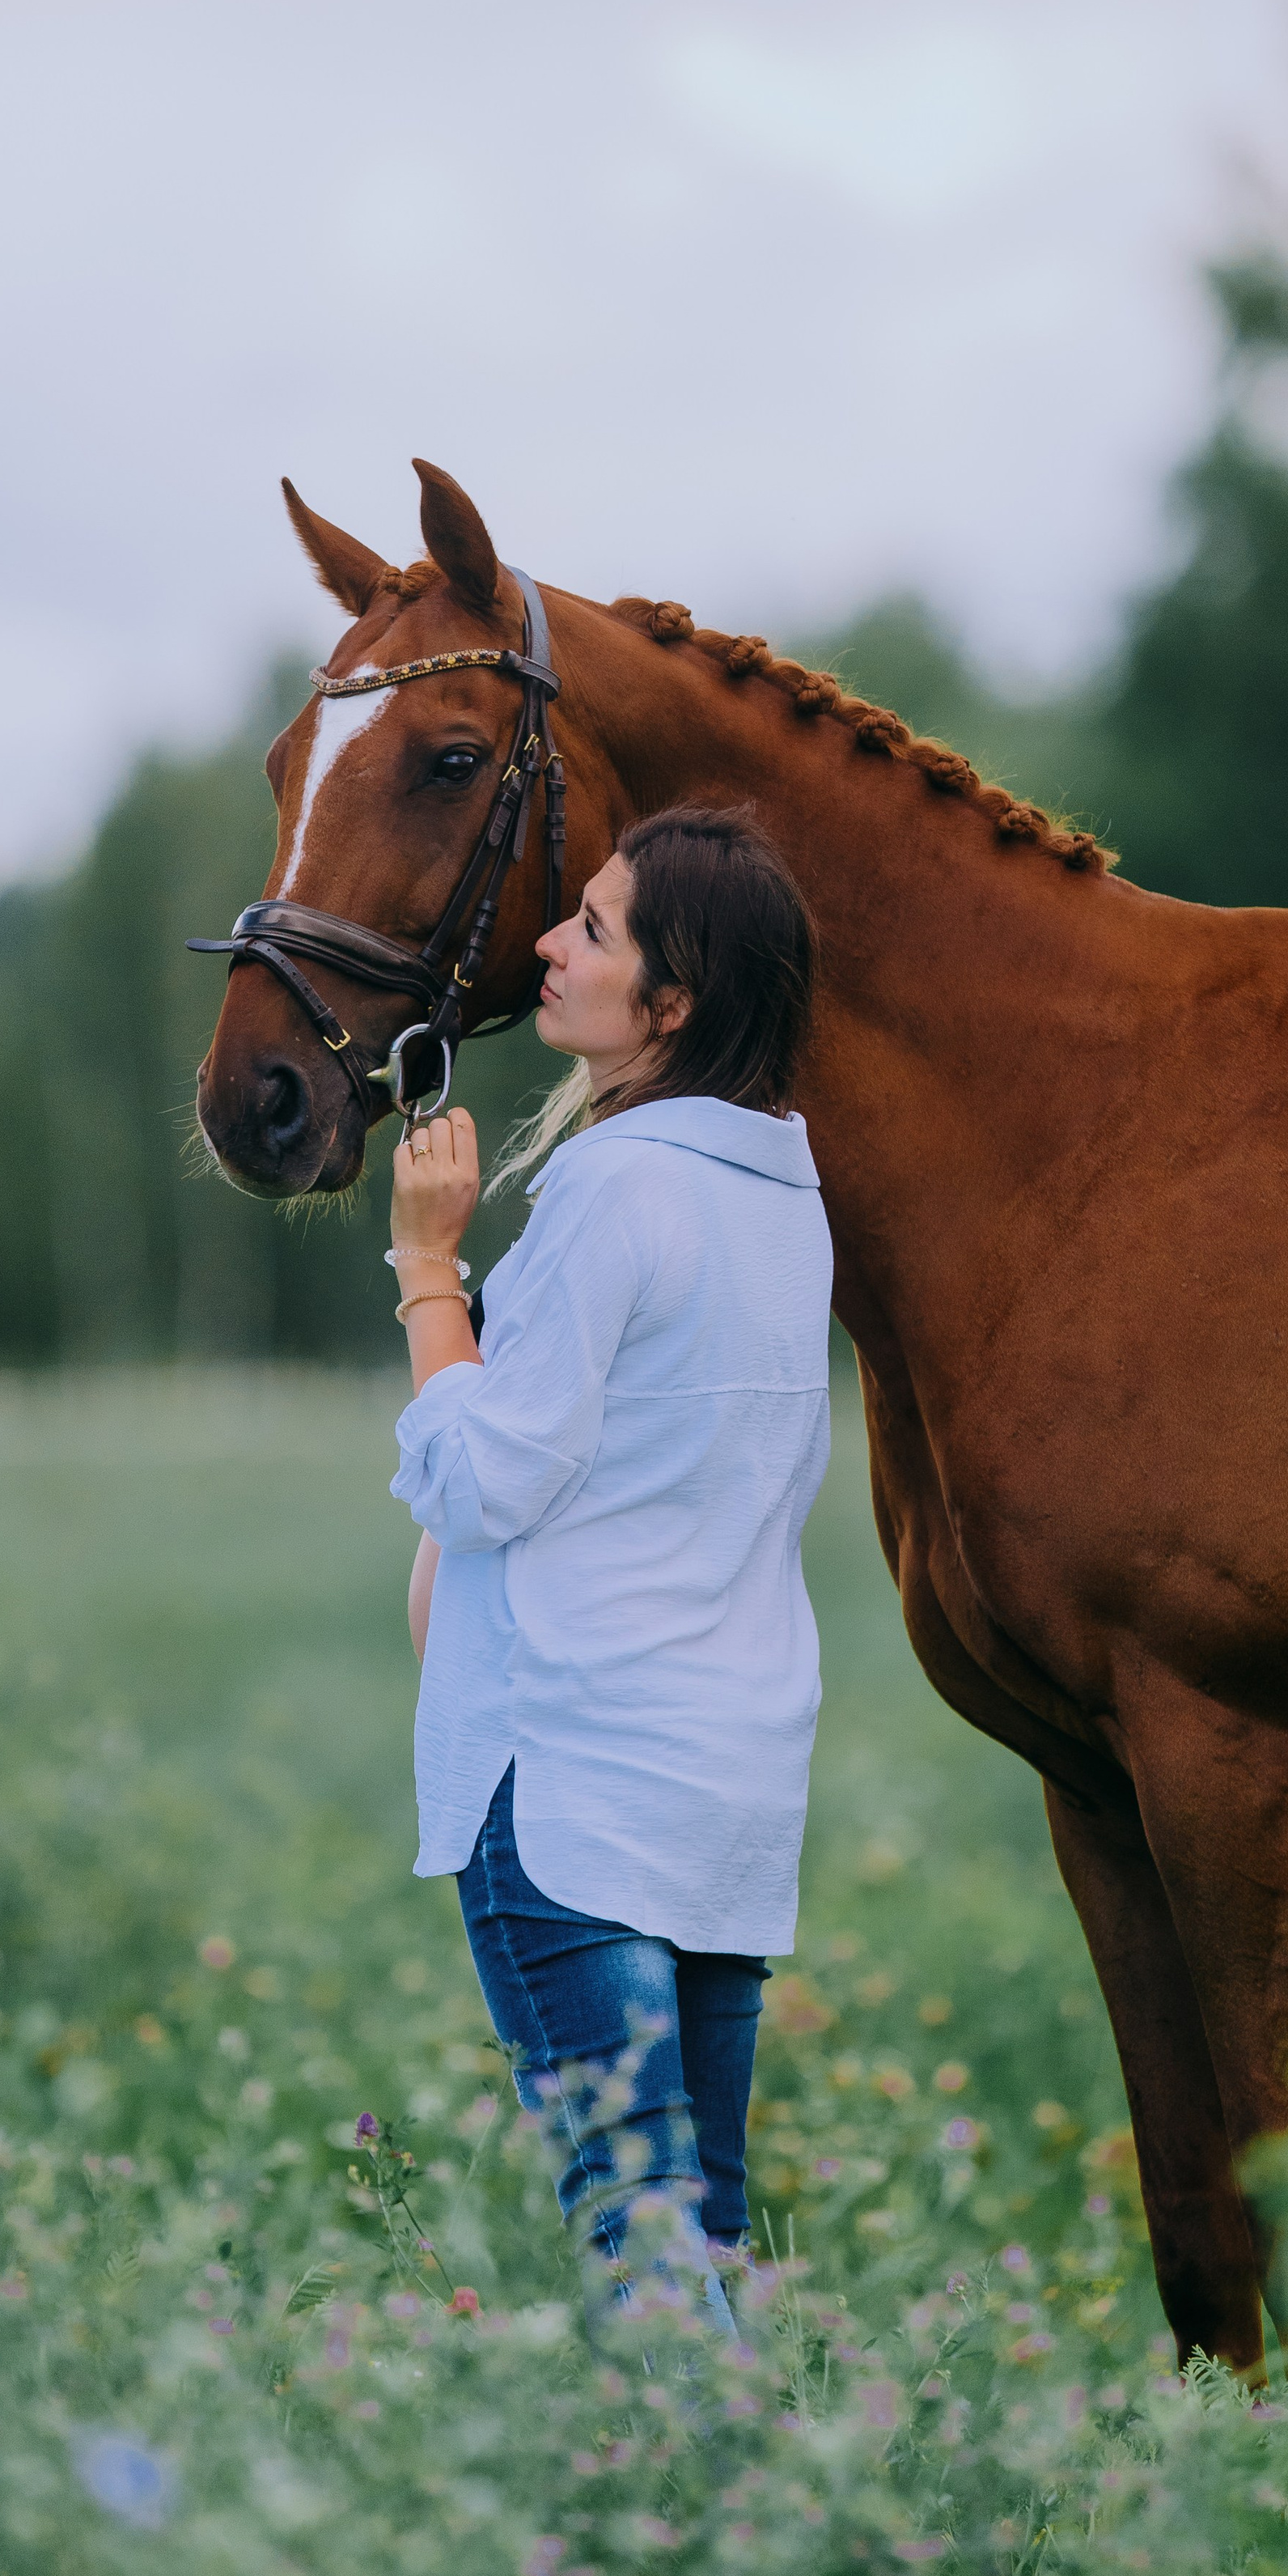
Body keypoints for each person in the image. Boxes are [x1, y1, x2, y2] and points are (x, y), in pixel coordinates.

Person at [387, 803, 829, 2330]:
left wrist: (430, 1264)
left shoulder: (613, 1185)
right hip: (722, 1782)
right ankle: (762, 2530)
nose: (550, 946)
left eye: (594, 928)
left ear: (673, 1001)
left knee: (638, 2238)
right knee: (697, 2219)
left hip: (572, 1773)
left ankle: (699, 2542)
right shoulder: (788, 1190)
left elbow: (487, 1475)